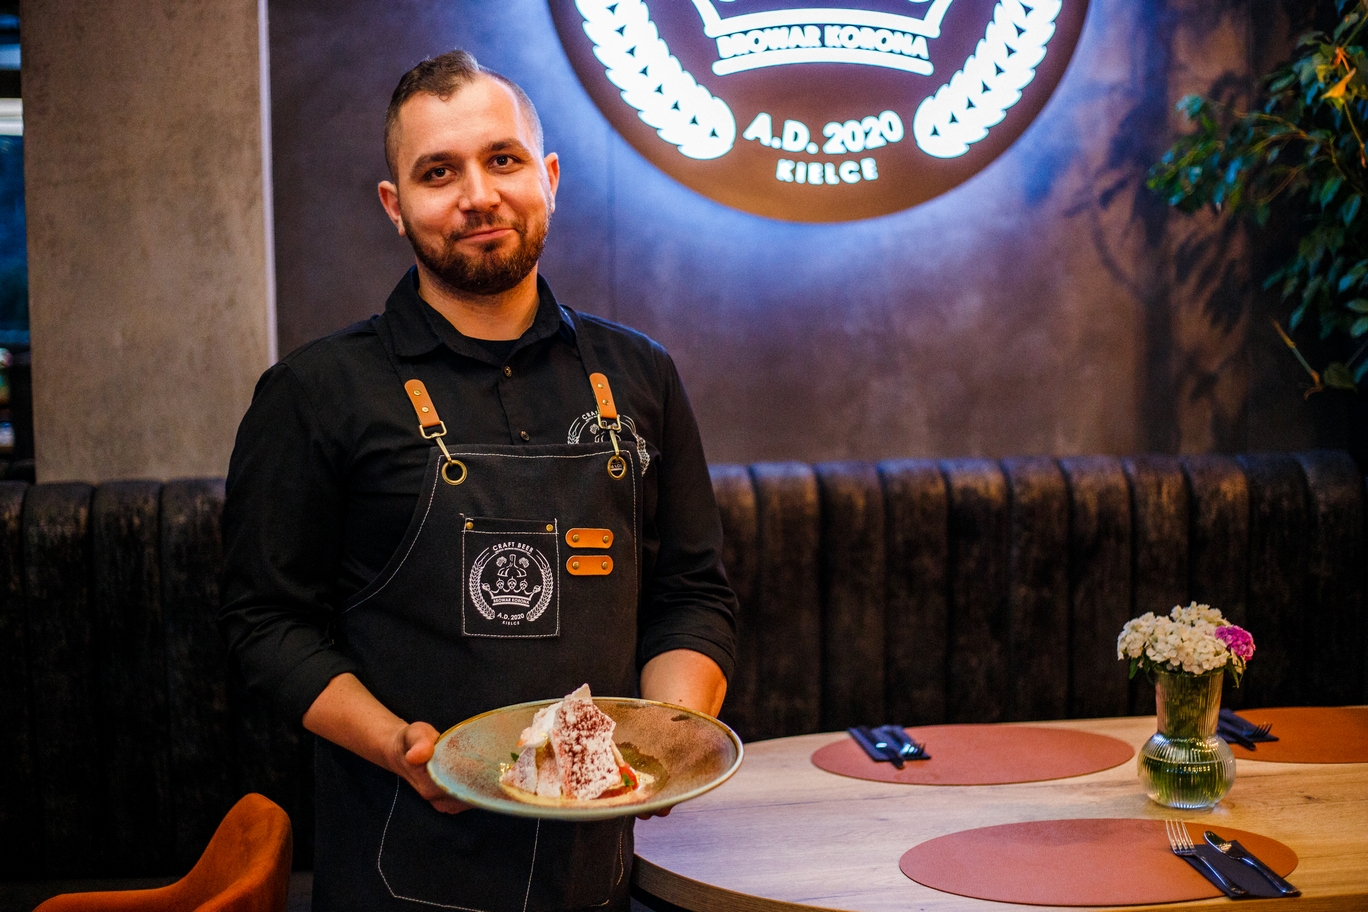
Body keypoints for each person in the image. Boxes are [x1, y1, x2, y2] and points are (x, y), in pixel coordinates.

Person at [218, 49, 737, 912]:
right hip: (401, 870)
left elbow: (692, 595)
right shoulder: (315, 392)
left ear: (549, 178)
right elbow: (265, 623)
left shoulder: (641, 374)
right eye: (438, 172)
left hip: (598, 876)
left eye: (503, 160)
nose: (478, 195)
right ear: (395, 205)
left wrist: (665, 743)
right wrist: (395, 745)